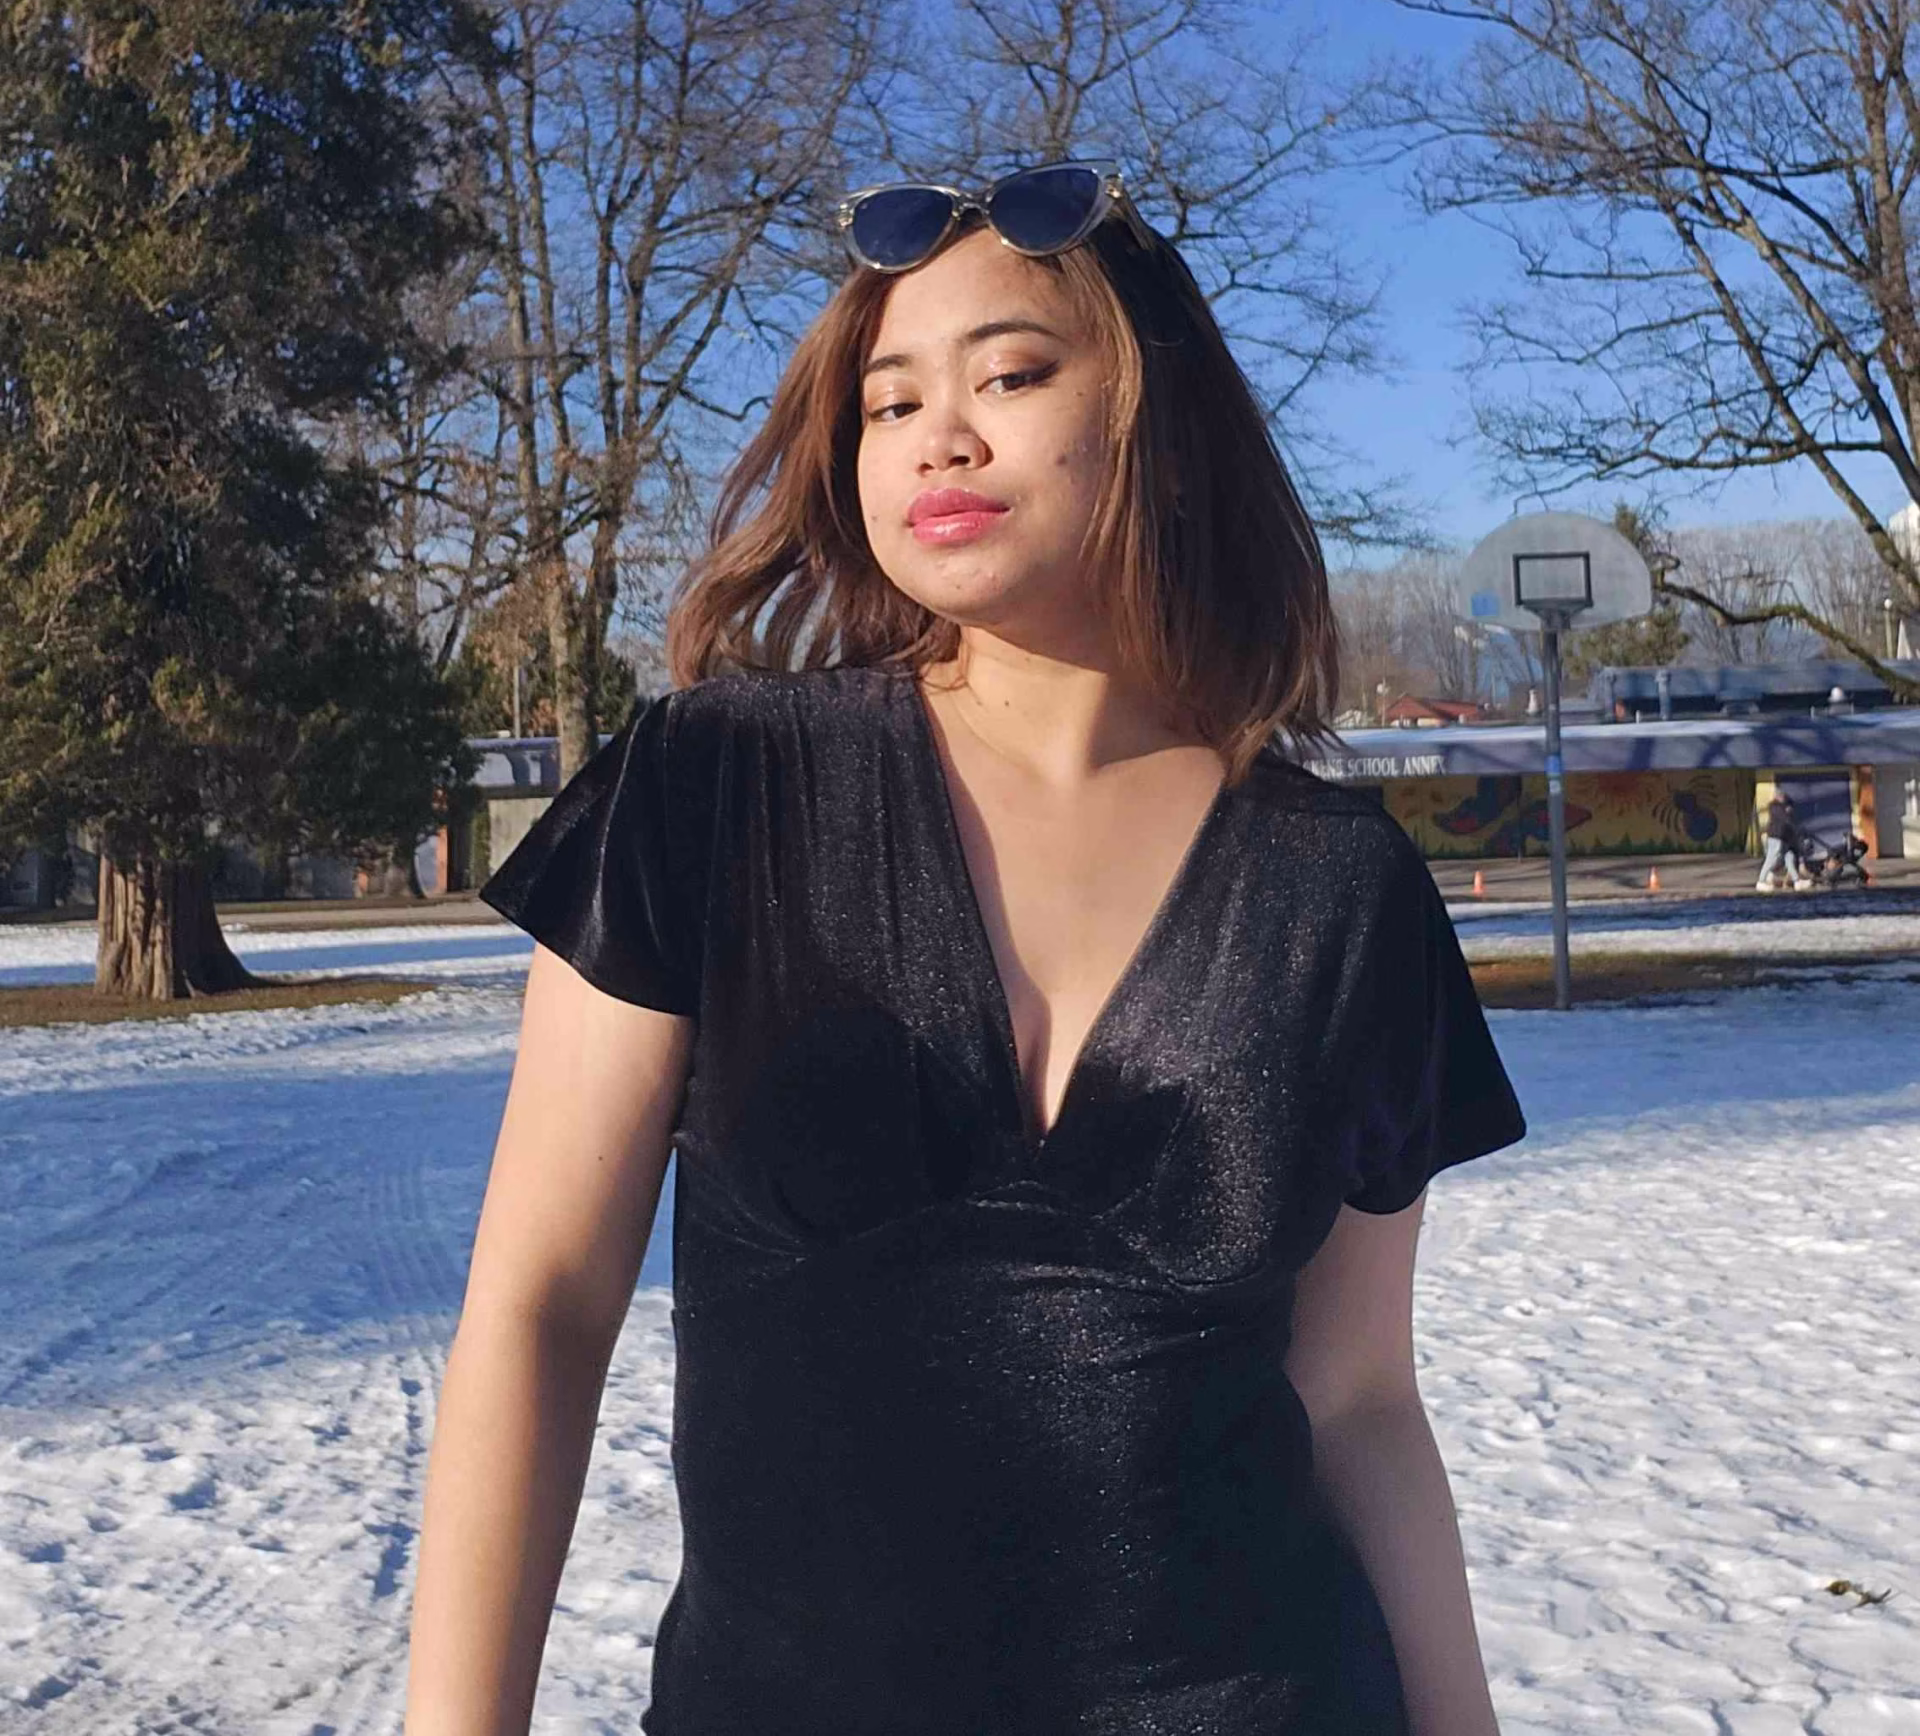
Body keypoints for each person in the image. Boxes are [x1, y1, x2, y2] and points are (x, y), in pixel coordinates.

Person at [404, 159, 1529, 1736]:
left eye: (1009, 375)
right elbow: (540, 1307)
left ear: (1160, 425)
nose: (939, 434)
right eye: (889, 402)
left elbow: (1357, 1401)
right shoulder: (711, 791)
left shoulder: (1343, 888)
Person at [1756, 790, 1812, 891]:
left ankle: (1797, 881)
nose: (1783, 798)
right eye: (1782, 796)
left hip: (1782, 837)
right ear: (1778, 797)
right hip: (1775, 836)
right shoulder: (1775, 806)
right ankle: (1761, 881)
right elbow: (1785, 819)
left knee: (1789, 857)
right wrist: (1788, 813)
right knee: (1771, 859)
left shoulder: (1780, 807)